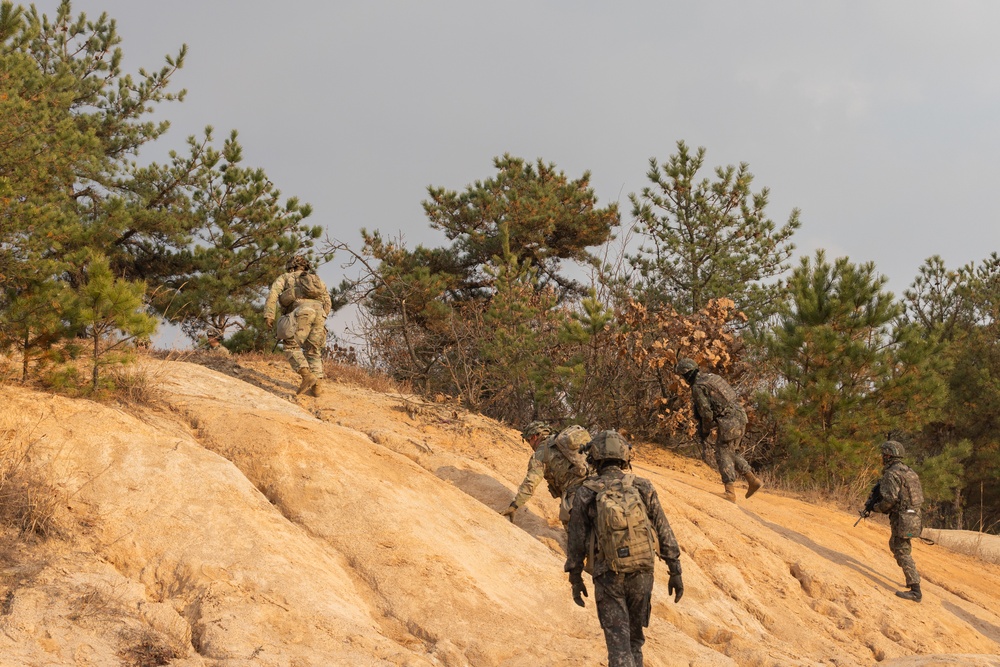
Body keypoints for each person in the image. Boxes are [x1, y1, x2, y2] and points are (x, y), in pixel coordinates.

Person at [565, 430, 683, 667]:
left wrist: (575, 578)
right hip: (642, 573)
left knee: (618, 647)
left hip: (609, 575)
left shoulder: (586, 491)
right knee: (634, 642)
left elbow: (576, 539)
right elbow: (664, 530)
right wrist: (675, 571)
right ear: (624, 456)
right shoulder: (642, 486)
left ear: (594, 457)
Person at [675, 357, 763, 503]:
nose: (684, 379)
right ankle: (752, 480)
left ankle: (730, 492)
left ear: (687, 374)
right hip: (740, 415)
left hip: (729, 420)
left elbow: (706, 414)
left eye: (683, 376)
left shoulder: (698, 387)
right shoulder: (712, 377)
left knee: (722, 451)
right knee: (731, 451)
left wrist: (704, 430)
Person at [264, 256, 331, 396]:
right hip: (320, 314)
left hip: (302, 312)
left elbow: (273, 294)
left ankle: (306, 375)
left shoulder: (286, 277)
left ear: (291, 266)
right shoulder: (317, 281)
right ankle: (317, 387)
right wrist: (322, 317)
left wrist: (269, 315)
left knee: (290, 345)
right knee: (313, 350)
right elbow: (328, 302)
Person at [500, 422, 590, 527]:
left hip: (576, 490)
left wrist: (514, 505)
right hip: (595, 479)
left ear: (534, 437)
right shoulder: (562, 441)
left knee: (571, 525)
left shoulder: (540, 453)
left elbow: (531, 482)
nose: (530, 445)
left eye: (528, 441)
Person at [868, 440, 925, 602]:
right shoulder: (910, 472)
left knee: (901, 549)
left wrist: (876, 508)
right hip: (915, 517)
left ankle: (915, 590)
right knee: (898, 546)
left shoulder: (892, 474)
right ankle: (911, 580)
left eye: (883, 455)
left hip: (902, 518)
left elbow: (889, 500)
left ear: (888, 455)